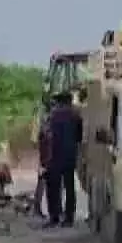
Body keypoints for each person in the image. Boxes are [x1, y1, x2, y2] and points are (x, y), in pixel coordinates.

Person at [44, 91, 83, 228]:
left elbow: (48, 136)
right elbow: (79, 137)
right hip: (70, 155)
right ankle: (69, 218)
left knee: (54, 188)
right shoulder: (76, 116)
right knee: (69, 187)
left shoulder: (53, 116)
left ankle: (54, 216)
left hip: (55, 155)